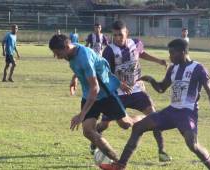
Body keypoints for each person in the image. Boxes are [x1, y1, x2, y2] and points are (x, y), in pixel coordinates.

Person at [100, 39, 210, 170]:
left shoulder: (198, 69)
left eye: (173, 53)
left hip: (187, 113)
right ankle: (121, 165)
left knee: (193, 145)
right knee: (138, 127)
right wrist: (151, 80)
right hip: (171, 112)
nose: (170, 56)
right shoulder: (173, 68)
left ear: (183, 52)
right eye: (169, 53)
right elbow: (161, 88)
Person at [49, 34, 141, 162]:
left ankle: (146, 118)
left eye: (57, 53)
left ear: (65, 47)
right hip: (89, 95)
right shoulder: (73, 50)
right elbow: (86, 67)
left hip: (105, 94)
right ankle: (115, 160)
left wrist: (82, 114)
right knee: (88, 131)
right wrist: (74, 78)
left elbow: (95, 88)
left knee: (125, 124)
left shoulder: (84, 57)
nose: (57, 57)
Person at [88, 20, 171, 162]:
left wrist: (158, 61)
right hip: (117, 93)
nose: (118, 38)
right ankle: (95, 138)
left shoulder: (136, 43)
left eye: (120, 34)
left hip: (137, 90)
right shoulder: (109, 50)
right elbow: (105, 73)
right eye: (115, 35)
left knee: (155, 117)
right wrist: (120, 84)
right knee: (105, 124)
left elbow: (142, 53)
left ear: (127, 33)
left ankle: (161, 151)